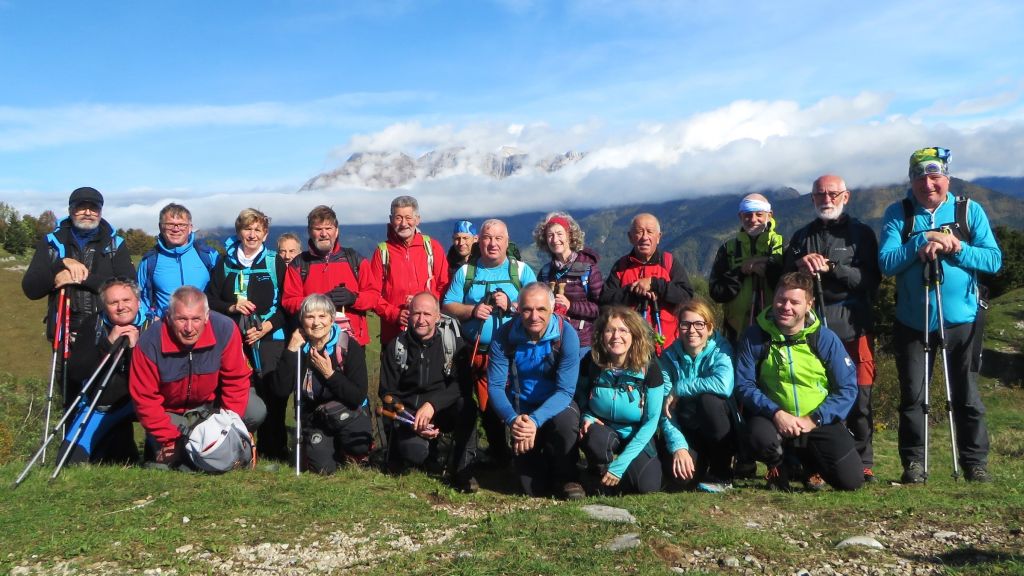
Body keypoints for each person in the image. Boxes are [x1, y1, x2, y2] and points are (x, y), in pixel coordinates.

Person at [878, 147, 1002, 484]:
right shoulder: (898, 213)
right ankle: (914, 464)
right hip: (913, 322)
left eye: (935, 177)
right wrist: (923, 239)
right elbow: (886, 262)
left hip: (963, 320)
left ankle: (975, 464)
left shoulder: (968, 211)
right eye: (920, 178)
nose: (928, 184)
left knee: (967, 395)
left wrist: (956, 247)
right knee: (913, 397)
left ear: (947, 178)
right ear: (911, 181)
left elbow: (993, 260)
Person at [784, 175, 880, 482]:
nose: (827, 199)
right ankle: (817, 463)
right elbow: (785, 279)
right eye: (820, 194)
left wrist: (833, 268)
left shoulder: (861, 234)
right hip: (813, 330)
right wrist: (799, 266)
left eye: (833, 194)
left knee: (860, 396)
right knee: (817, 395)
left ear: (845, 197)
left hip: (854, 326)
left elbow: (870, 279)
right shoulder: (801, 237)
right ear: (812, 198)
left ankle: (862, 461)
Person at [734, 272, 863, 492]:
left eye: (794, 302)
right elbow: (744, 384)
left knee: (851, 480)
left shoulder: (824, 338)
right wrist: (776, 413)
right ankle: (778, 467)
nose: (786, 307)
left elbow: (847, 387)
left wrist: (815, 418)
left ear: (808, 305)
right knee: (758, 436)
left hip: (816, 419)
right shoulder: (755, 336)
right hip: (773, 419)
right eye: (781, 299)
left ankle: (809, 466)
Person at [129, 286, 266, 470]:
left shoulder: (224, 328)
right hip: (171, 412)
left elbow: (236, 381)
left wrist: (227, 428)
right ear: (169, 316)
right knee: (170, 463)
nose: (189, 328)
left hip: (211, 407)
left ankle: (235, 445)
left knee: (255, 409)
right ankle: (166, 449)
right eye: (181, 319)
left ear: (207, 317)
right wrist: (168, 439)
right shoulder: (149, 342)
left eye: (196, 319)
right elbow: (144, 399)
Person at [442, 218, 537, 466]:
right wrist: (472, 311)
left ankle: (517, 453)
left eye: (498, 238)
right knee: (483, 406)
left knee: (512, 402)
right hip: (475, 352)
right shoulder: (466, 272)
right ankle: (497, 453)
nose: (492, 243)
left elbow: (540, 305)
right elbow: (448, 305)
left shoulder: (521, 271)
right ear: (479, 241)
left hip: (513, 354)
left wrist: (513, 306)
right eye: (487, 238)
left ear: (507, 241)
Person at [205, 208, 288, 460]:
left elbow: (287, 304)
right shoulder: (225, 262)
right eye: (247, 229)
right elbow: (210, 299)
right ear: (239, 231)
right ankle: (238, 448)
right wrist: (231, 307)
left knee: (272, 394)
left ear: (265, 234)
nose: (252, 234)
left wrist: (267, 327)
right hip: (234, 340)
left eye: (258, 230)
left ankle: (274, 450)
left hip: (270, 339)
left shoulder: (274, 262)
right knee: (236, 392)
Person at [487, 282, 583, 499]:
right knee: (531, 489)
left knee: (566, 420)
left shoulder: (566, 335)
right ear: (518, 309)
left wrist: (535, 421)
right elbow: (495, 387)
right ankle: (540, 461)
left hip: (556, 405)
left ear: (552, 309)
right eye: (527, 310)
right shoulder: (504, 336)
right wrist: (514, 420)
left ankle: (567, 477)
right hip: (521, 410)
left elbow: (565, 391)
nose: (534, 316)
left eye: (541, 309)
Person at [378, 292, 478, 492]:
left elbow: (464, 384)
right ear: (409, 315)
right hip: (409, 415)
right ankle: (427, 450)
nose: (421, 320)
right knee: (416, 455)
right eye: (416, 313)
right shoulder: (396, 347)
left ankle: (463, 471)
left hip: (442, 411)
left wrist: (432, 405)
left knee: (467, 406)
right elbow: (387, 393)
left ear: (438, 317)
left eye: (427, 314)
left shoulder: (453, 345)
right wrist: (413, 421)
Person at [273, 293, 372, 473]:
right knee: (322, 469)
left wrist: (330, 374)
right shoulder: (298, 348)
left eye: (322, 316)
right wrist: (291, 349)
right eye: (310, 317)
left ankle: (352, 451)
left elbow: (357, 396)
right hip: (317, 417)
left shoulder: (348, 346)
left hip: (349, 411)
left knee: (358, 447)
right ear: (301, 320)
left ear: (332, 319)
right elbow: (280, 390)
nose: (316, 323)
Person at [577, 306, 664, 495]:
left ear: (634, 335)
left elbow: (651, 422)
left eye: (623, 330)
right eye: (610, 330)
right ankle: (598, 474)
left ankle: (615, 475)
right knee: (597, 439)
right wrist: (587, 415)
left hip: (637, 431)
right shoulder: (592, 362)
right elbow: (580, 395)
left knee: (647, 486)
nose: (616, 336)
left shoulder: (650, 367)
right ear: (601, 335)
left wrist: (621, 465)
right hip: (603, 428)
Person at [58, 278, 146, 465]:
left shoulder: (152, 326)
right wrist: (107, 344)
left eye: (126, 300)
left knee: (158, 461)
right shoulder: (93, 324)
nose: (121, 307)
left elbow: (151, 380)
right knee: (68, 462)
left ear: (138, 302)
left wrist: (134, 350)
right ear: (105, 307)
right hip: (101, 405)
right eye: (113, 303)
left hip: (142, 403)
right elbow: (77, 372)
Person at [658, 298, 737, 492]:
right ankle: (700, 464)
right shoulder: (668, 357)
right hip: (688, 429)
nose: (692, 330)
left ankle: (721, 472)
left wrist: (680, 387)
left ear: (709, 328)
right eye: (685, 324)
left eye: (699, 324)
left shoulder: (721, 349)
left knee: (708, 401)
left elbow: (723, 385)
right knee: (681, 479)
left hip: (719, 426)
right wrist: (678, 447)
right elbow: (665, 408)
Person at [281, 205, 375, 346]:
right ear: (309, 232)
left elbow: (374, 297)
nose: (324, 234)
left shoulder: (356, 259)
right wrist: (319, 302)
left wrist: (353, 299)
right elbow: (289, 302)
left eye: (328, 228)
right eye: (318, 229)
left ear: (336, 231)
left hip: (352, 341)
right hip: (312, 340)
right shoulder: (299, 264)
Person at [600, 213, 693, 353]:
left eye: (650, 232)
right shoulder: (621, 266)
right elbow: (605, 301)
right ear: (630, 237)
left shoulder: (669, 263)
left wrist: (656, 284)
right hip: (629, 349)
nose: (645, 237)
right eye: (639, 232)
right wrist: (633, 291)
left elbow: (686, 297)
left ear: (658, 237)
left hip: (668, 349)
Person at [365, 195, 449, 345]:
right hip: (393, 334)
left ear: (417, 219)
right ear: (391, 220)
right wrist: (394, 314)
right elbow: (372, 294)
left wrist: (424, 303)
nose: (404, 223)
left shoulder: (432, 247)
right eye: (398, 218)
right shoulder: (382, 251)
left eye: (408, 218)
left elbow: (444, 286)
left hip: (429, 331)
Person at [709, 194, 784, 344]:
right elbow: (716, 292)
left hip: (776, 330)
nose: (753, 219)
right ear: (740, 216)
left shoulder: (783, 246)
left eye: (759, 214)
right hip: (736, 333)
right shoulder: (728, 249)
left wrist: (768, 269)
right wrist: (741, 272)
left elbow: (792, 286)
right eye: (747, 215)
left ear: (769, 215)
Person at [532, 212, 603, 353]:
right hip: (552, 342)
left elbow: (601, 307)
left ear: (570, 236)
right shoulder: (545, 272)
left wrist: (570, 306)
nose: (555, 239)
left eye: (560, 234)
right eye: (550, 235)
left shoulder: (588, 269)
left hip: (583, 343)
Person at [137, 203, 219, 320]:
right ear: (160, 227)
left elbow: (221, 292)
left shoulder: (209, 256)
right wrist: (149, 319)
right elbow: (140, 297)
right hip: (165, 325)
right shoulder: (149, 261)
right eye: (170, 224)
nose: (176, 229)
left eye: (182, 225)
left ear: (190, 228)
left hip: (203, 325)